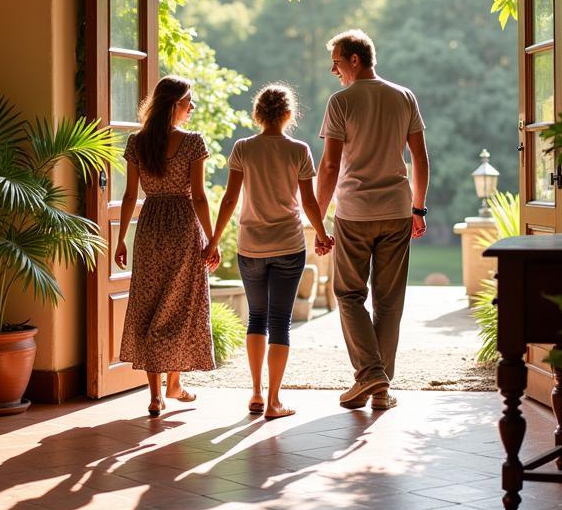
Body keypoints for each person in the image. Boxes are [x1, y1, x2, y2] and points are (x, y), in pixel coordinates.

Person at [316, 29, 429, 412]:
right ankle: (381, 390)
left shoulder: (341, 102)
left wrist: (317, 218)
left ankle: (369, 373)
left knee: (348, 295)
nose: (334, 71)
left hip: (355, 213)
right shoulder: (404, 96)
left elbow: (330, 165)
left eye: (336, 62)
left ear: (354, 59)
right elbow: (420, 159)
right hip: (397, 210)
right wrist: (418, 208)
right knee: (389, 300)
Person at [206, 85, 334, 420]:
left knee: (256, 318)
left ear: (258, 113)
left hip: (252, 247)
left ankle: (257, 393)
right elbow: (308, 201)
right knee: (280, 321)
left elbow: (231, 200)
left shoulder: (243, 148)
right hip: (289, 245)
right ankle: (275, 401)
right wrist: (322, 234)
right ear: (289, 115)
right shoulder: (299, 150)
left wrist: (214, 241)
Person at [115, 76, 219, 417]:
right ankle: (173, 384)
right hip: (183, 226)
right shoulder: (192, 143)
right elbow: (200, 196)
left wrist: (121, 240)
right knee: (183, 305)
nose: (192, 108)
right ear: (175, 104)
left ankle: (158, 394)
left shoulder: (137, 142)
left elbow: (130, 195)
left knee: (150, 304)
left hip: (150, 228)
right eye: (189, 101)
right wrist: (213, 238)